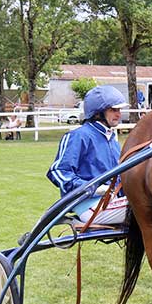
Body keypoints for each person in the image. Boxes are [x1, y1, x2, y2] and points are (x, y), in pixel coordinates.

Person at [46, 85, 130, 225]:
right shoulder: (79, 136)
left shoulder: (111, 139)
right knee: (151, 205)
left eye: (119, 110)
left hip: (112, 202)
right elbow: (58, 171)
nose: (119, 114)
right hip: (89, 206)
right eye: (113, 110)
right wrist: (93, 188)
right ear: (98, 113)